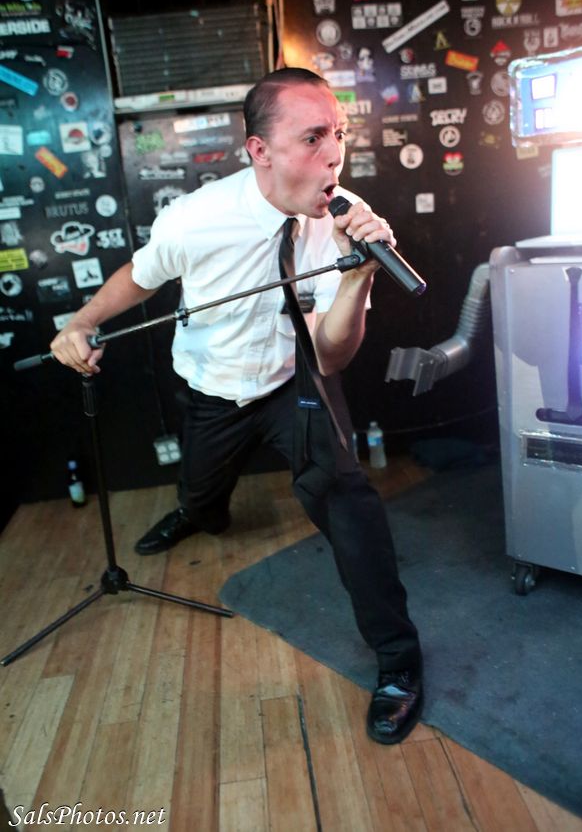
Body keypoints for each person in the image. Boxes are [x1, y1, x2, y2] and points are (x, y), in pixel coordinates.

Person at [50, 68, 423, 745]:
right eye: (312, 138)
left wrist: (358, 277)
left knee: (347, 500)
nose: (333, 156)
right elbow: (141, 276)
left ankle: (398, 663)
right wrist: (81, 322)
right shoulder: (196, 217)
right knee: (200, 488)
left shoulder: (344, 221)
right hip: (214, 385)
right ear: (260, 150)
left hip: (293, 381)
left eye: (338, 135)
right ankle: (197, 511)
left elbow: (332, 355)